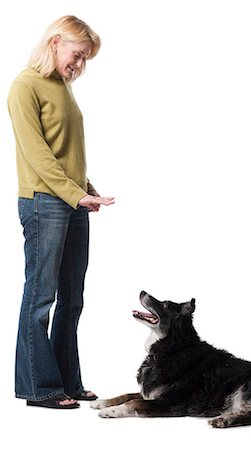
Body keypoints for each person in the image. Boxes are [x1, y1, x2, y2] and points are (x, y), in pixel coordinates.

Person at [8, 15, 115, 409]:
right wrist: (74, 193)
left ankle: (68, 380)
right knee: (40, 297)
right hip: (43, 203)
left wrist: (86, 187)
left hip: (72, 201)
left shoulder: (62, 86)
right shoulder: (24, 86)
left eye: (85, 59)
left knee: (73, 297)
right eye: (77, 55)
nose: (79, 65)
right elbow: (37, 155)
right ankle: (39, 388)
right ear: (55, 42)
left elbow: (65, 150)